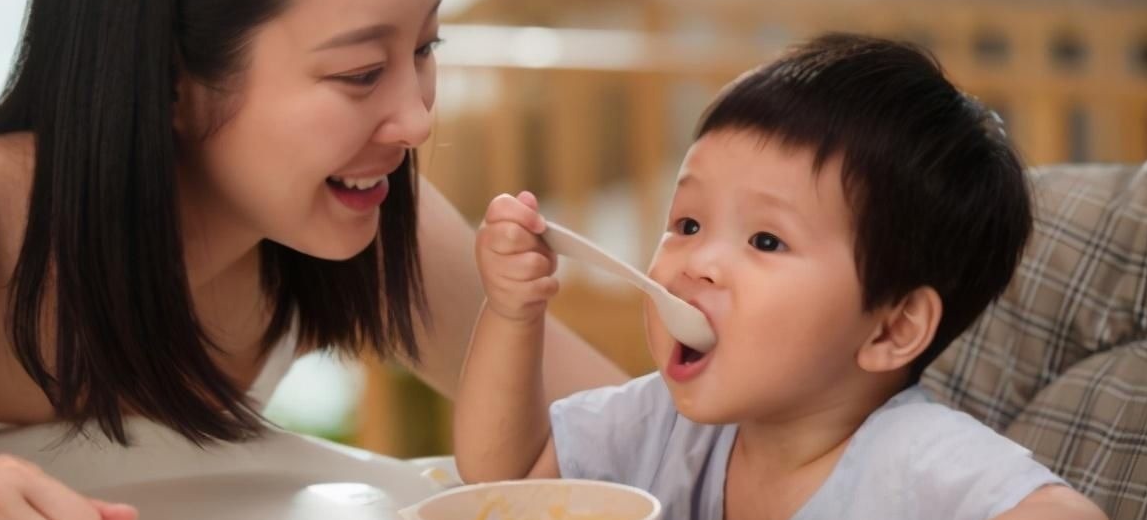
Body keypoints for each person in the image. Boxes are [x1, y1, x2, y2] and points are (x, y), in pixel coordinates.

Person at [0, 0, 626, 518]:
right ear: (171, 77)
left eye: (426, 48)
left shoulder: (369, 212)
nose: (416, 123)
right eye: (360, 73)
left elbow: (632, 432)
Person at [456, 34, 1108, 519]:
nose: (698, 263)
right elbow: (504, 479)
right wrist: (514, 314)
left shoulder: (914, 462)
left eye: (765, 240)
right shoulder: (664, 428)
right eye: (686, 224)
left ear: (892, 327)